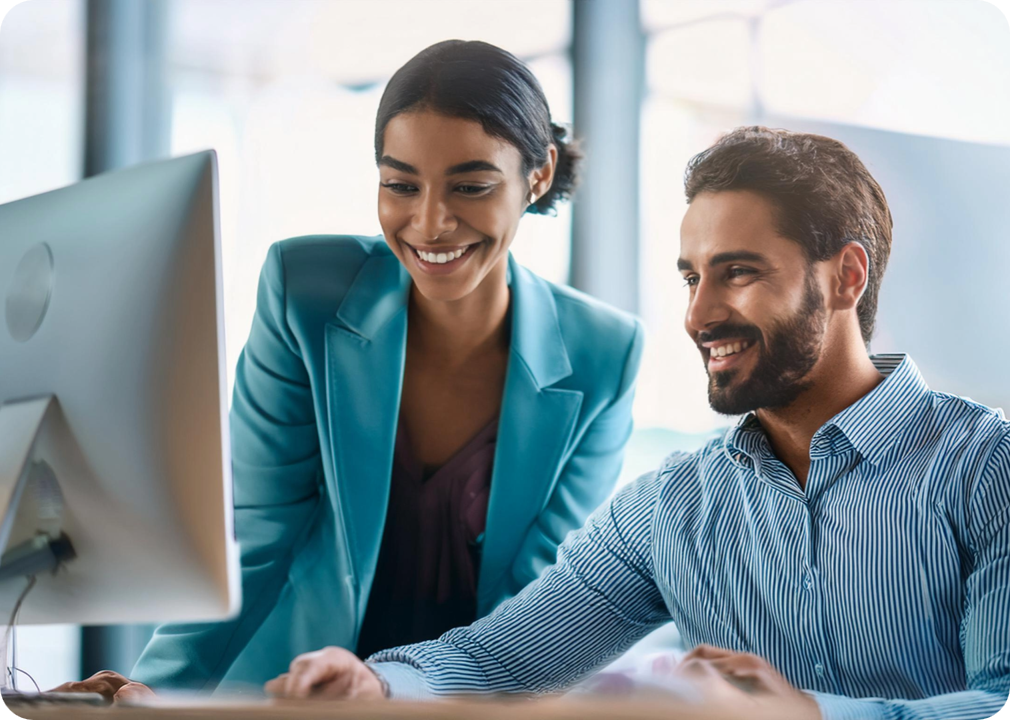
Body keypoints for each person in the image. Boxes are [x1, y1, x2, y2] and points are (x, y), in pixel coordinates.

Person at [265, 127, 1010, 720]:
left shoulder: (986, 468)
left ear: (846, 276)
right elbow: (499, 662)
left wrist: (806, 714)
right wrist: (375, 686)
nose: (698, 314)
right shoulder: (669, 508)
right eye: (692, 276)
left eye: (738, 272)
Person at [57, 40, 645, 701]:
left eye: (470, 186)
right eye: (400, 185)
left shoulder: (603, 353)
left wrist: (397, 689)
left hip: (462, 700)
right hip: (293, 691)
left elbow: (543, 604)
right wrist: (153, 692)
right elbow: (259, 534)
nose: (429, 223)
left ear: (537, 176)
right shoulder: (304, 292)